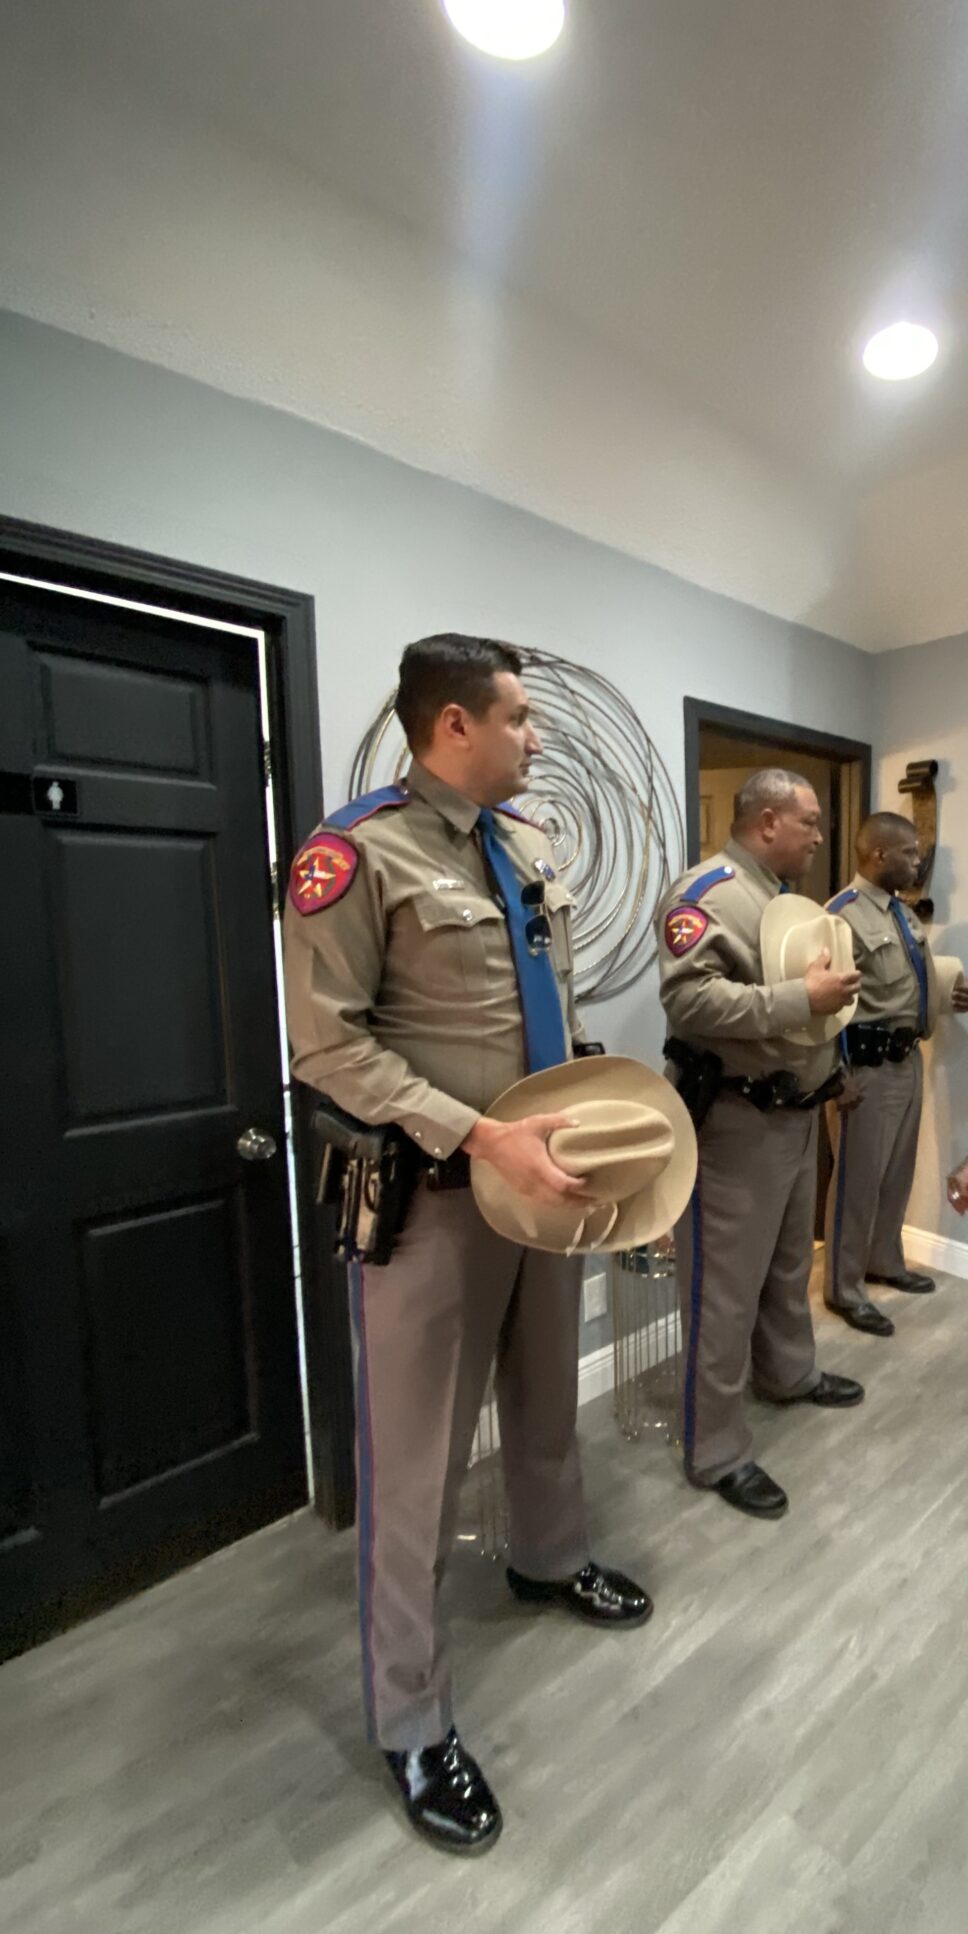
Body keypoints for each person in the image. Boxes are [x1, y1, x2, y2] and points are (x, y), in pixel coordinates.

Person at [283, 633, 650, 1856]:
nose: (534, 737)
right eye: (518, 718)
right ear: (451, 724)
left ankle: (546, 1558)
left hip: (542, 1179)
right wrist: (482, 1136)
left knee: (547, 1397)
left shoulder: (526, 846)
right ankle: (410, 1714)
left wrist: (593, 1107)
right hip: (433, 1199)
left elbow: (546, 1002)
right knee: (417, 1467)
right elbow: (327, 1049)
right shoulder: (355, 854)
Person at [656, 768, 865, 1521]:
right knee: (723, 1292)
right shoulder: (708, 894)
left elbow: (812, 1013)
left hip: (797, 1111)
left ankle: (788, 1374)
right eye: (808, 822)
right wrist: (795, 1000)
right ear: (768, 821)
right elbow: (686, 998)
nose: (817, 834)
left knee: (785, 1265)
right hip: (735, 1123)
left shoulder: (783, 900)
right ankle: (713, 1450)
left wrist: (832, 1069)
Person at [823, 812, 968, 1335]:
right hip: (865, 1069)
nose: (918, 861)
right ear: (879, 854)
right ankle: (843, 1288)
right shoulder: (840, 916)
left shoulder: (902, 915)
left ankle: (884, 1258)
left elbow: (909, 979)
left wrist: (944, 992)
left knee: (895, 1175)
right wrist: (837, 1076)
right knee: (856, 1183)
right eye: (909, 853)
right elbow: (825, 1008)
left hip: (906, 1062)